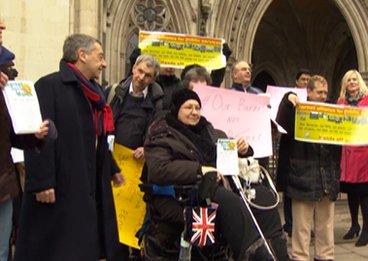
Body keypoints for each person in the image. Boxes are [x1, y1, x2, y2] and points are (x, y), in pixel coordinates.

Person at [14, 34, 124, 261]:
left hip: (86, 184)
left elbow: (95, 137)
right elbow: (39, 136)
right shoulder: (49, 86)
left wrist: (111, 167)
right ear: (81, 56)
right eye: (100, 57)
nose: (104, 63)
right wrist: (42, 181)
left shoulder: (95, 94)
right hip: (59, 187)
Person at [143, 88, 288, 260]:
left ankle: (278, 254)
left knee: (263, 197)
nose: (194, 112)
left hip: (214, 188)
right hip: (180, 195)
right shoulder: (162, 135)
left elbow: (224, 153)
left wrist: (242, 149)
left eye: (197, 107)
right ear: (176, 109)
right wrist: (199, 170)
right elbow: (159, 169)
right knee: (229, 201)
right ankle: (256, 256)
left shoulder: (209, 131)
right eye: (188, 107)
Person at [0, 20, 50, 261]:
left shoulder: (5, 88)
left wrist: (33, 135)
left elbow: (9, 135)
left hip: (3, 183)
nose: (3, 29)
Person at [276, 75, 339, 261]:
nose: (323, 96)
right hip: (302, 175)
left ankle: (325, 256)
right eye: (319, 92)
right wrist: (288, 98)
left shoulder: (333, 111)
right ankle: (300, 257)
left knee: (325, 225)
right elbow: (282, 121)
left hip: (326, 175)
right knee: (301, 226)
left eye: (325, 92)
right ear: (309, 92)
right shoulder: (297, 110)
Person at [106, 54, 164, 259]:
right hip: (114, 162)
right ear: (133, 69)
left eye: (148, 75)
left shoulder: (158, 101)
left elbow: (158, 131)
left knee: (135, 215)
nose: (142, 77)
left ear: (153, 79)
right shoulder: (114, 92)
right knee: (113, 214)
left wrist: (146, 148)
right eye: (140, 71)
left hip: (139, 167)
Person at [337, 69, 368, 247]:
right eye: (348, 80)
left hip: (365, 153)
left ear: (360, 81)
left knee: (365, 192)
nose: (352, 82)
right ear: (345, 84)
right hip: (347, 154)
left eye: (355, 79)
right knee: (352, 192)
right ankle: (354, 224)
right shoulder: (341, 101)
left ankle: (366, 229)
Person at [278, 69, 312, 238]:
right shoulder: (289, 98)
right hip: (290, 149)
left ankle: (304, 226)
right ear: (296, 81)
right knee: (288, 190)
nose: (305, 82)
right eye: (303, 79)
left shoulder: (313, 100)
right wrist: (289, 99)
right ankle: (290, 223)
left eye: (308, 79)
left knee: (304, 192)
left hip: (306, 151)